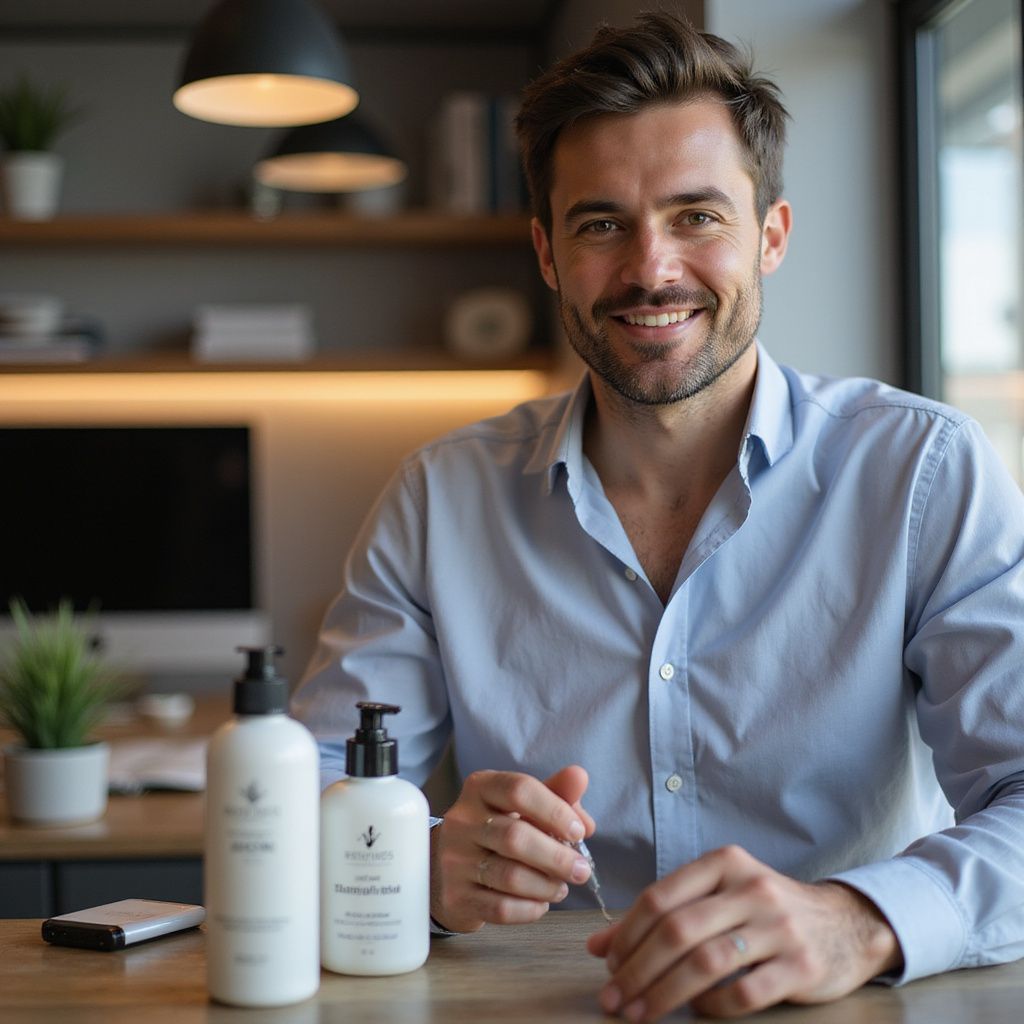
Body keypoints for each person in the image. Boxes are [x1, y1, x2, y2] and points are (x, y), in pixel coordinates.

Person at [292, 11, 1024, 1021]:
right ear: (547, 254)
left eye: (697, 217)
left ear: (770, 236)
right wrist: (408, 863)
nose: (651, 268)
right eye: (601, 225)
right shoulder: (438, 499)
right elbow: (302, 802)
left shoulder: (922, 472)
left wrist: (855, 919)